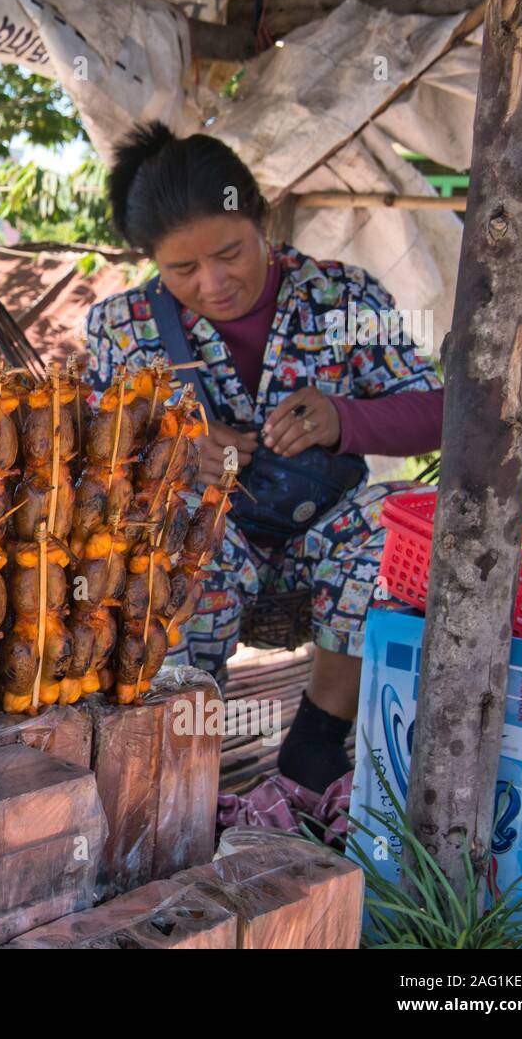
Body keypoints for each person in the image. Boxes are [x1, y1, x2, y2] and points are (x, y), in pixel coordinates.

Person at [84, 123, 444, 794]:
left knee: (399, 521)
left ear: (261, 217)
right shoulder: (122, 328)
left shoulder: (342, 298)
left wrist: (346, 419)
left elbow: (438, 413)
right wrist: (174, 446)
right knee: (155, 538)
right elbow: (90, 453)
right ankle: (187, 751)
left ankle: (313, 740)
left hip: (324, 537)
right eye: (182, 270)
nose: (214, 283)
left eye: (230, 253)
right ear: (151, 263)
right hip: (209, 547)